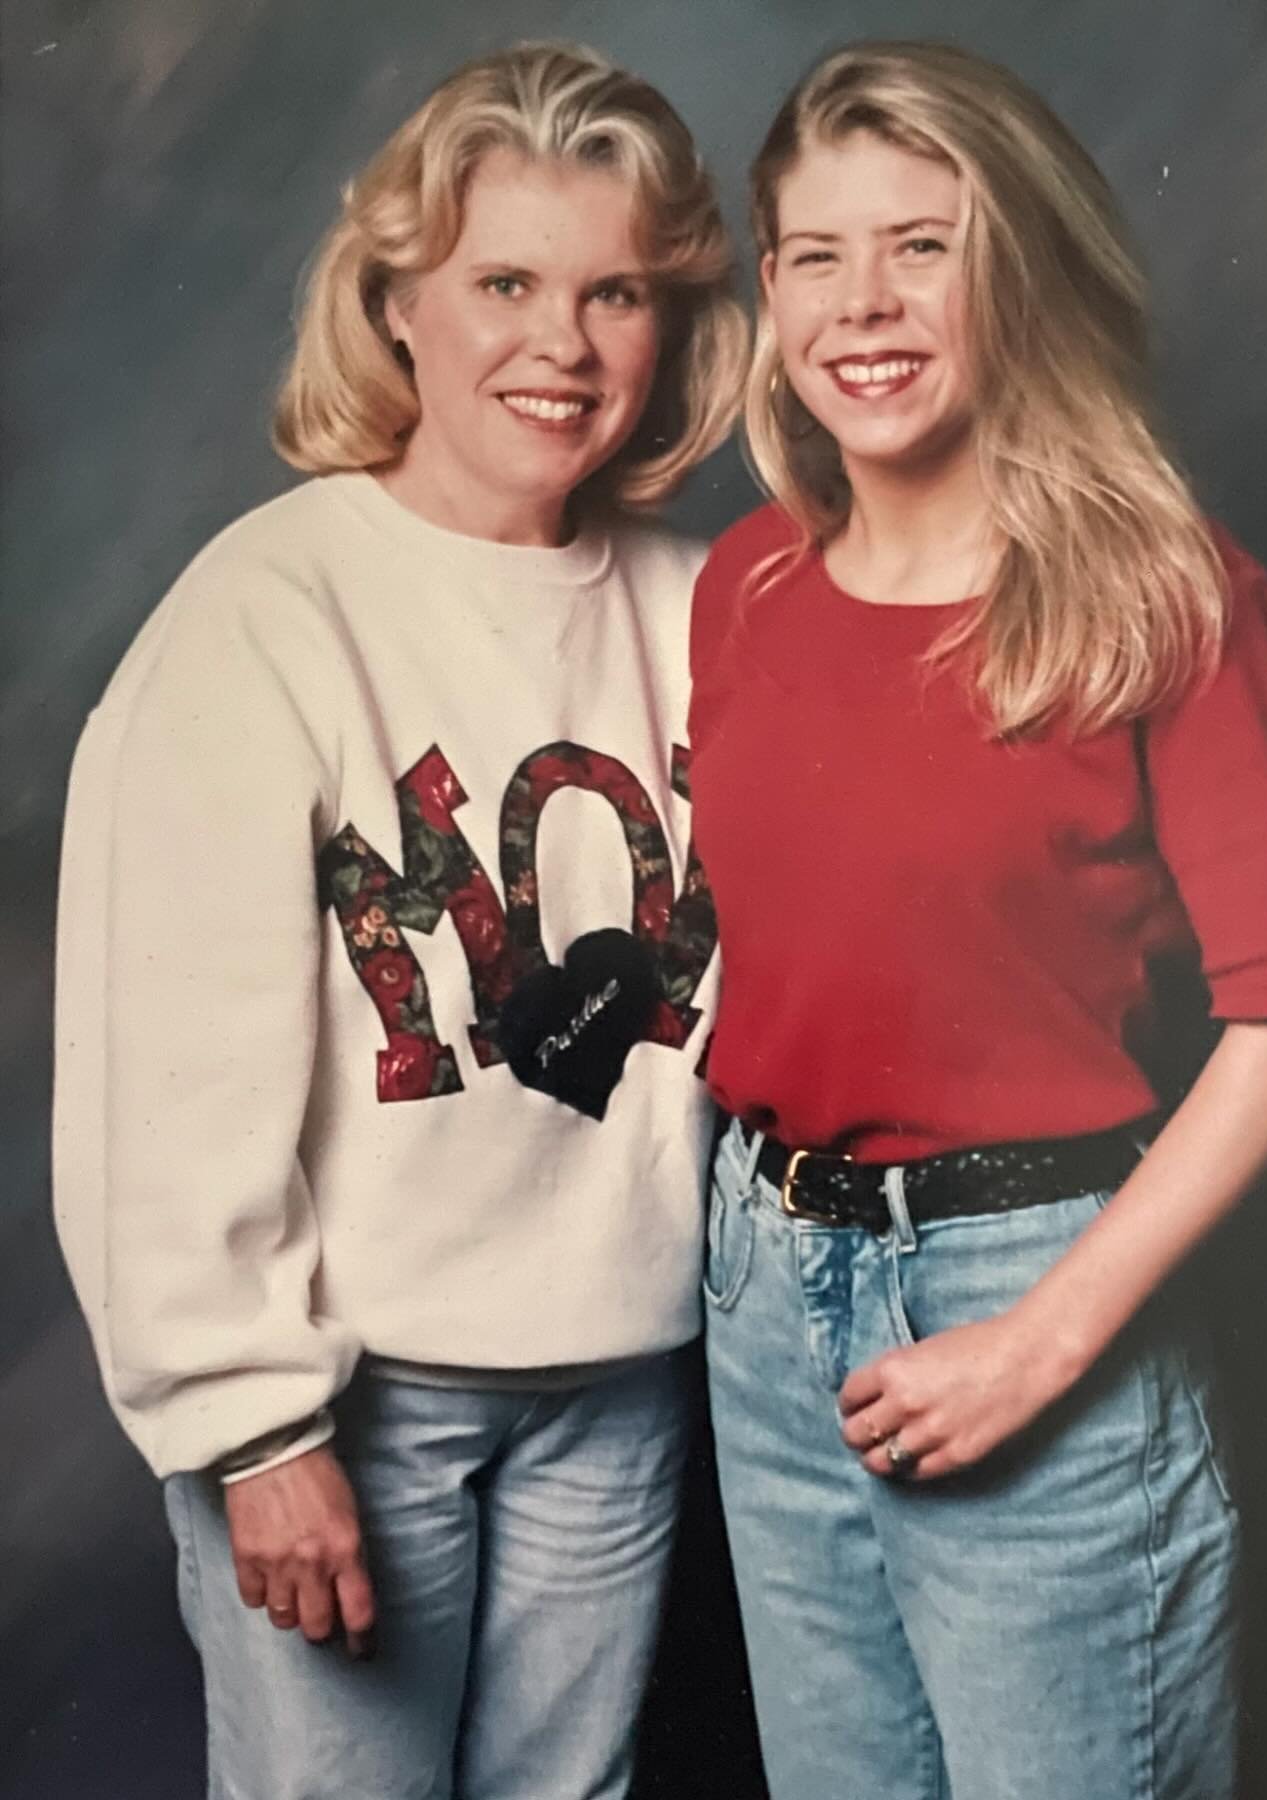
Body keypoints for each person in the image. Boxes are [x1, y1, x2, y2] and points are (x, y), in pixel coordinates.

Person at [52, 42, 744, 1800]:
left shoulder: (707, 607)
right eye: (504, 283)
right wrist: (249, 1425)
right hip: (363, 1396)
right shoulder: (267, 612)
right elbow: (167, 1069)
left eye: (614, 295)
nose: (561, 346)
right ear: (397, 306)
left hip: (625, 1377)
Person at [688, 40, 1267, 1800]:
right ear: (770, 294)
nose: (865, 303)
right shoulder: (746, 581)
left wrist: (1045, 1341)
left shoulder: (1160, 595)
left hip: (1032, 1286)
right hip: (763, 1292)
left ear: (1019, 263)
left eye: (924, 243)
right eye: (817, 256)